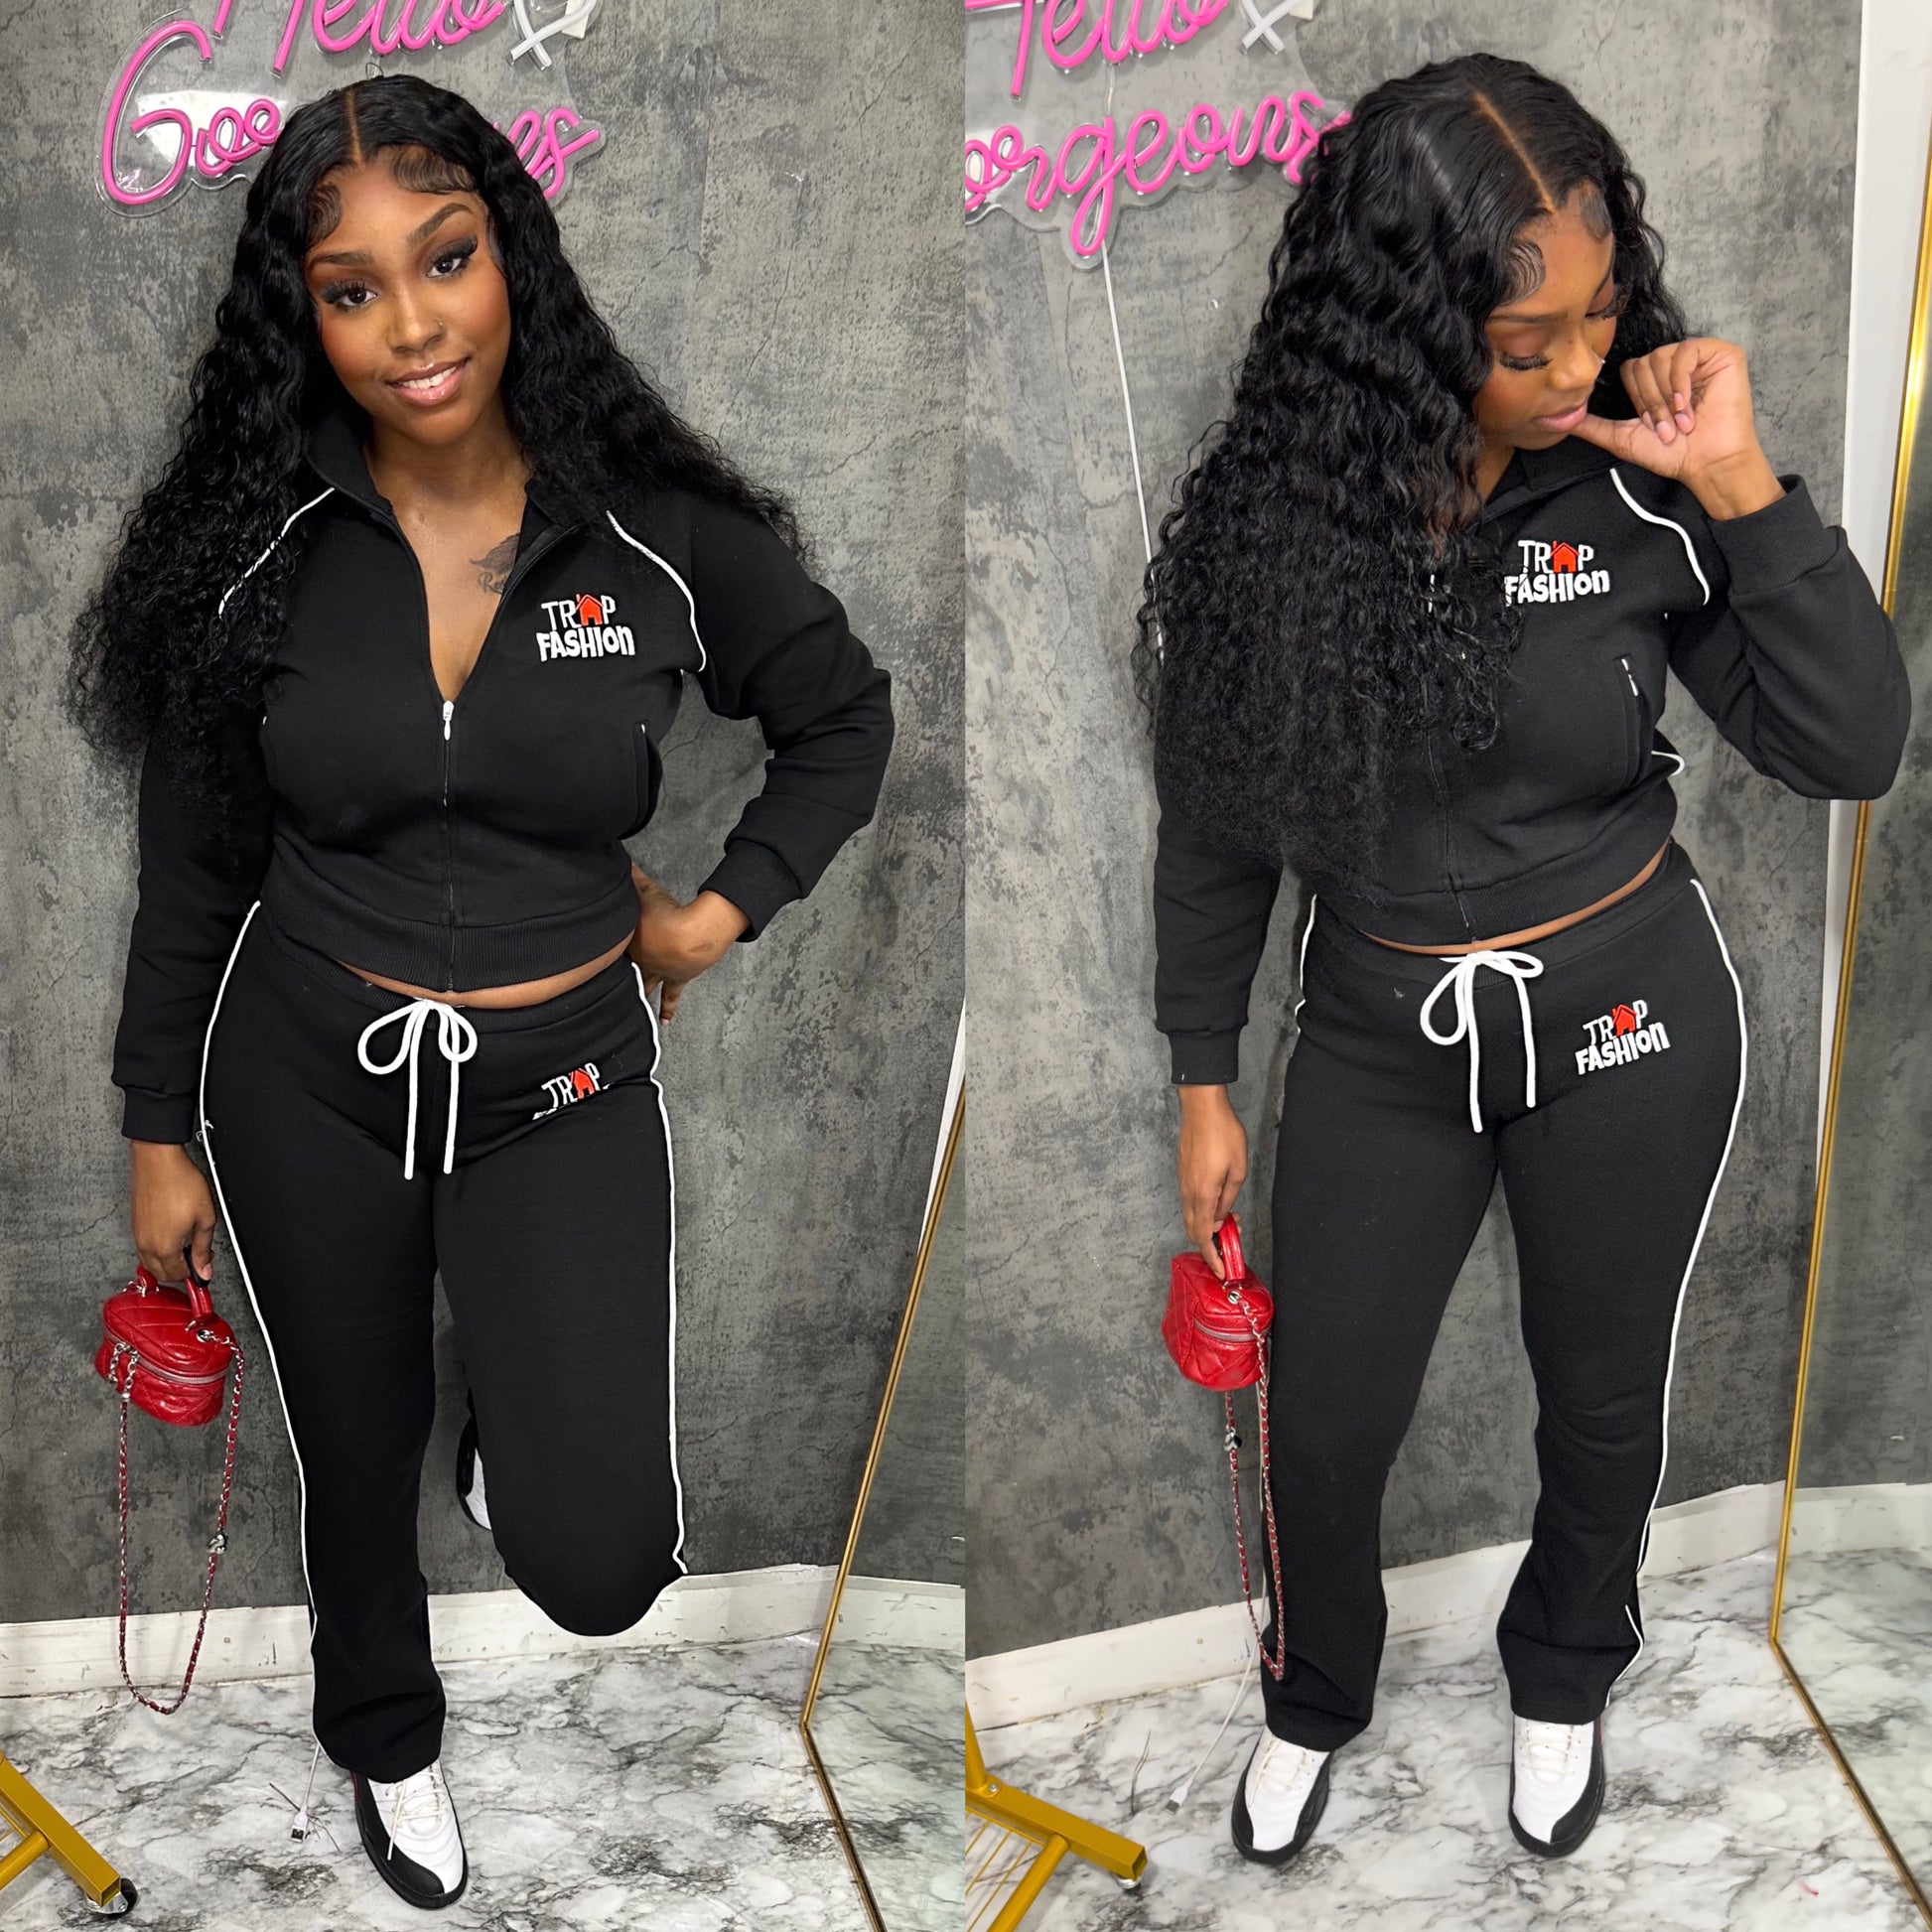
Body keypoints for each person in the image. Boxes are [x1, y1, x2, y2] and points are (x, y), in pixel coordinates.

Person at [67, 75, 894, 1911]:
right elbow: (191, 867)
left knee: (602, 1565)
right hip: (305, 1075)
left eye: (445, 259)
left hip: (564, 1078)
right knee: (349, 1456)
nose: (412, 324)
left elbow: (843, 717)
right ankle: (387, 1735)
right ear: (303, 318)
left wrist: (715, 917)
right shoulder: (259, 549)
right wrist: (155, 1126)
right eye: (351, 289)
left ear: (511, 254)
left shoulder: (657, 532)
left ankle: (514, 1434)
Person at [1136, 53, 1908, 1870]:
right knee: (1323, 1423)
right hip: (1380, 1037)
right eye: (1522, 339)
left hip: (1630, 1013)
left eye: (1599, 313)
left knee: (1602, 1398)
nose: (1577, 369)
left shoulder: (1641, 485)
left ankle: (1563, 1665)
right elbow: (1218, 825)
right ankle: (1312, 1689)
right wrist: (1200, 1076)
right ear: (1406, 337)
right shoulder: (1280, 526)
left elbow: (1849, 745)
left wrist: (1738, 482)